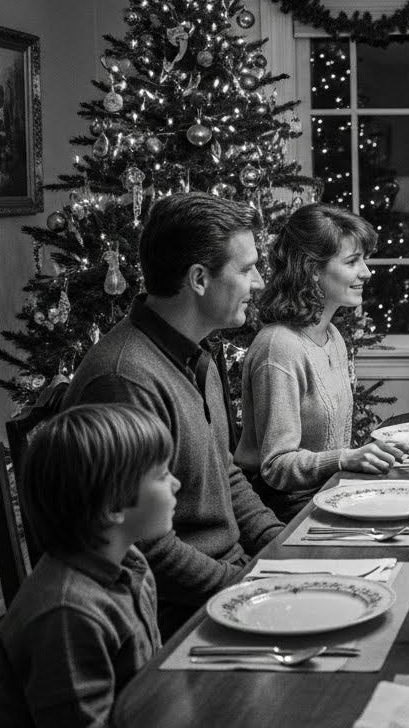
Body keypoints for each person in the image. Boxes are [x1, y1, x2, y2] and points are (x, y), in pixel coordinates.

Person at [64, 192, 283, 634]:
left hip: (229, 583)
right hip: (176, 616)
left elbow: (225, 474)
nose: (259, 281)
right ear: (199, 278)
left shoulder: (196, 356)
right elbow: (143, 546)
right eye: (245, 269)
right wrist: (246, 587)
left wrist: (285, 545)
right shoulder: (124, 380)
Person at [0, 404, 177, 727]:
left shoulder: (132, 564)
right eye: (162, 475)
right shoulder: (67, 614)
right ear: (113, 506)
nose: (175, 484)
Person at [235, 204, 408, 520]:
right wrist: (344, 459)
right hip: (290, 514)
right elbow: (275, 467)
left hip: (333, 495)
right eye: (352, 261)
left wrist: (369, 456)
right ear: (312, 270)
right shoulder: (280, 346)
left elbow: (334, 448)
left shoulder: (332, 336)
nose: (366, 272)